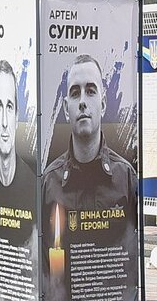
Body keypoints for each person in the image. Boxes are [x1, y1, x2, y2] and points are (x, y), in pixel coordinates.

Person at [42, 55, 136, 209]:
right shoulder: (49, 184)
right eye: (75, 93)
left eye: (90, 91)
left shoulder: (126, 179)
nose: (82, 102)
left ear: (103, 104)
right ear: (66, 109)